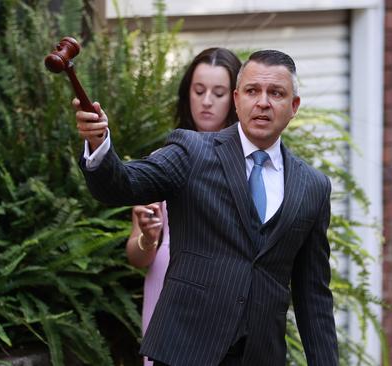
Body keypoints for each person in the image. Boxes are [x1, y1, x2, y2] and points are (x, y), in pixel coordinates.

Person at [75, 50, 338, 365]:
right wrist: (99, 142)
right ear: (238, 99)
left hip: (260, 355)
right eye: (253, 91)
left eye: (276, 93)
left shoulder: (313, 187)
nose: (263, 102)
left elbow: (314, 298)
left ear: (293, 106)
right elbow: (122, 184)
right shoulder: (192, 152)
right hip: (185, 351)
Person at [125, 47, 242, 366]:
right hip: (167, 292)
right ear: (186, 93)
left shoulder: (251, 167)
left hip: (225, 300)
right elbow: (137, 256)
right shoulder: (162, 163)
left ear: (234, 99)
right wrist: (149, 236)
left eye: (218, 93)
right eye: (198, 90)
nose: (206, 101)